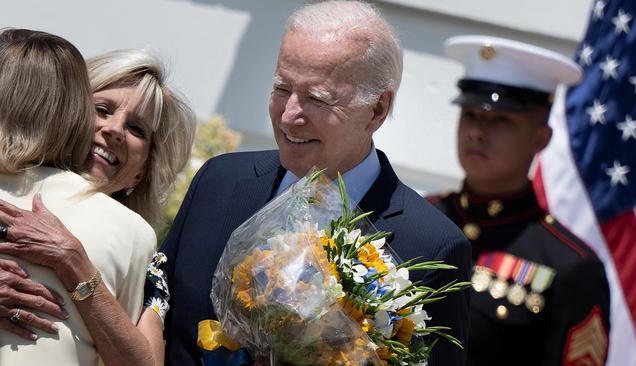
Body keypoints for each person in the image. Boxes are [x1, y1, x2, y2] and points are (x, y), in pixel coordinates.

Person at [161, 1, 471, 365]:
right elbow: (155, 314)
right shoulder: (220, 183)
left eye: (316, 98)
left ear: (377, 109)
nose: (290, 115)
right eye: (281, 88)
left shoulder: (431, 247)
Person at [0, 33, 195, 366]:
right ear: (66, 113)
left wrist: (74, 262)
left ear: (142, 173)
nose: (115, 130)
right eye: (102, 110)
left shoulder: (143, 255)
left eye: (137, 130)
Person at [426, 35, 610, 366]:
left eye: (500, 120)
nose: (477, 132)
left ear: (541, 137)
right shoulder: (419, 217)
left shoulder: (571, 267)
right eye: (469, 114)